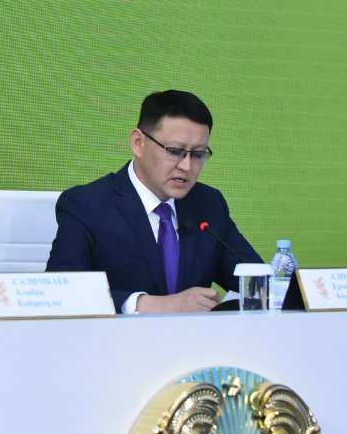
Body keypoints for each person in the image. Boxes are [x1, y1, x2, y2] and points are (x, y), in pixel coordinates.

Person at [46, 90, 261, 313]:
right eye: (175, 151)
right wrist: (146, 304)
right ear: (139, 143)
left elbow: (260, 284)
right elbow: (60, 293)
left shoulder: (209, 203)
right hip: (118, 335)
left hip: (193, 336)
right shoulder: (86, 205)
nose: (186, 166)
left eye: (198, 154)